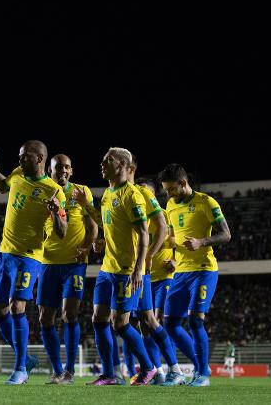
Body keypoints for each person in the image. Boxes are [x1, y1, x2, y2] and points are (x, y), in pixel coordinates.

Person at [0, 142, 68, 385]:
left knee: (18, 307)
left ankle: (20, 368)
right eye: (19, 156)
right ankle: (26, 358)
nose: (19, 160)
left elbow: (62, 231)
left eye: (24, 156)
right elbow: (1, 186)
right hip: (4, 252)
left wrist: (55, 212)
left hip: (29, 256)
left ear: (40, 158)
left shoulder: (53, 190)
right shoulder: (18, 174)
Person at [73, 147, 157, 386]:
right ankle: (110, 374)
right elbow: (105, 221)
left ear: (121, 165)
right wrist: (85, 206)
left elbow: (143, 234)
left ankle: (149, 367)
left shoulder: (133, 195)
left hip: (125, 270)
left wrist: (139, 268)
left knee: (120, 324)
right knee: (98, 319)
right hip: (107, 268)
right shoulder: (109, 192)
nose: (102, 164)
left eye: (107, 160)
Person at [159, 163, 231, 387]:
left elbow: (226, 234)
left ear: (183, 183)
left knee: (195, 320)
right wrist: (171, 255)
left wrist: (202, 241)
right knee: (170, 323)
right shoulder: (170, 205)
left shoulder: (206, 202)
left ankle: (202, 375)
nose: (168, 194)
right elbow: (173, 236)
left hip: (203, 270)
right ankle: (201, 365)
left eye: (171, 189)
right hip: (180, 272)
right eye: (166, 190)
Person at [37, 154, 98, 385]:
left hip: (74, 263)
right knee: (45, 318)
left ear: (71, 171)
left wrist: (86, 249)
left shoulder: (81, 191)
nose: (63, 170)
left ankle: (70, 372)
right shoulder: (44, 190)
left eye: (67, 167)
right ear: (50, 171)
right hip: (48, 263)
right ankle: (57, 371)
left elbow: (93, 226)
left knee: (70, 314)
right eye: (58, 167)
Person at [124, 160, 185, 387]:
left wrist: (155, 257)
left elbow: (174, 239)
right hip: (139, 272)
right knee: (144, 324)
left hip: (156, 274)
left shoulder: (158, 211)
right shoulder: (131, 206)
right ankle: (157, 370)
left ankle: (173, 369)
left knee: (151, 321)